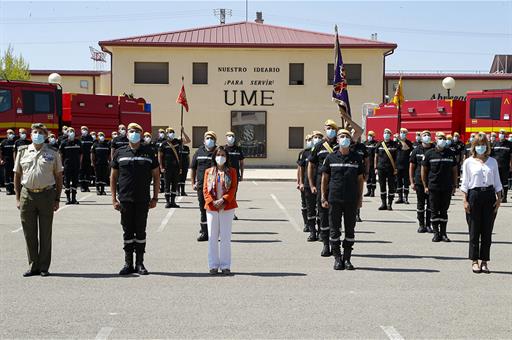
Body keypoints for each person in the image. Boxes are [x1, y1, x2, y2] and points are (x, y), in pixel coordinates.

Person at [14, 123, 63, 277]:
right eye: (35, 132)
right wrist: (17, 198)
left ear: (46, 136)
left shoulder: (53, 153)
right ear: (30, 134)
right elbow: (17, 175)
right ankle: (33, 265)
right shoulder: (22, 152)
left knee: (45, 232)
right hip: (27, 194)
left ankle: (43, 267)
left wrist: (57, 198)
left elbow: (58, 176)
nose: (37, 134)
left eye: (40, 132)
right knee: (29, 232)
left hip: (46, 195)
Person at [111, 123, 159, 275]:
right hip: (125, 199)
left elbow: (156, 176)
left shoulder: (149, 152)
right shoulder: (120, 152)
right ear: (127, 134)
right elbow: (113, 177)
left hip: (142, 199)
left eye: (137, 132)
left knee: (140, 231)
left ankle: (140, 263)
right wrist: (113, 199)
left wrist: (155, 197)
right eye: (132, 131)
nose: (134, 134)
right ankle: (128, 263)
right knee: (127, 232)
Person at [321, 129, 364, 271]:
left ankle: (347, 259)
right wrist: (323, 196)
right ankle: (337, 259)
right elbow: (325, 178)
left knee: (350, 230)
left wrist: (360, 199)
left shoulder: (357, 158)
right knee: (334, 230)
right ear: (337, 140)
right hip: (334, 198)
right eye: (341, 136)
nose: (344, 138)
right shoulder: (330, 158)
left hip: (351, 199)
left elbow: (360, 180)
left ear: (350, 140)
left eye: (346, 136)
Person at [460, 133, 502, 274]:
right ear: (474, 146)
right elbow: (465, 183)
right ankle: (474, 261)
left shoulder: (492, 162)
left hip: (489, 196)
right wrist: (465, 200)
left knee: (487, 230)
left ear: (487, 146)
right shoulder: (468, 162)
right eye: (478, 145)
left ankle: (484, 261)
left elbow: (497, 181)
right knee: (474, 230)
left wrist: (499, 198)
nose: (481, 147)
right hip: (474, 196)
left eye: (483, 144)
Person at [203, 146, 238, 275]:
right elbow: (205, 189)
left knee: (225, 237)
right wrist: (212, 201)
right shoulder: (208, 171)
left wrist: (223, 200)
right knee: (212, 237)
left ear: (227, 157)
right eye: (218, 154)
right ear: (214, 156)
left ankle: (225, 266)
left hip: (227, 207)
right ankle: (213, 265)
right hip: (212, 207)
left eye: (223, 155)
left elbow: (233, 188)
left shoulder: (232, 171)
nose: (220, 157)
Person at [308, 119, 339, 256]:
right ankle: (326, 245)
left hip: (337, 184)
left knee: (336, 216)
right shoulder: (319, 146)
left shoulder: (340, 144)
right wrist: (311, 184)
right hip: (322, 184)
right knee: (323, 215)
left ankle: (335, 245)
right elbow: (311, 165)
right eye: (328, 128)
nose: (330, 130)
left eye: (332, 128)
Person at [421, 132, 458, 242]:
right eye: (440, 138)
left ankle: (444, 233)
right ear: (436, 139)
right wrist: (425, 186)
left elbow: (454, 170)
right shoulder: (429, 154)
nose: (442, 140)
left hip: (446, 187)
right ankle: (436, 233)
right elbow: (424, 170)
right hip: (433, 187)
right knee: (434, 210)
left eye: (444, 138)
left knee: (444, 210)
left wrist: (454, 185)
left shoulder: (450, 153)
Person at [191, 131, 217, 242]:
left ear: (215, 140)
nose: (209, 140)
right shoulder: (198, 152)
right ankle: (204, 232)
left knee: (214, 210)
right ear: (204, 139)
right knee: (203, 209)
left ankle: (214, 232)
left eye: (211, 138)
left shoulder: (218, 152)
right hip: (202, 186)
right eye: (207, 138)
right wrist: (193, 183)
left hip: (215, 187)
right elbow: (193, 168)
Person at [409, 130, 434, 233]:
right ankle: (421, 225)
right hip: (419, 181)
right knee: (420, 203)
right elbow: (411, 167)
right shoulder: (416, 150)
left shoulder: (434, 149)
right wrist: (411, 182)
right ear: (421, 137)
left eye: (428, 135)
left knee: (430, 204)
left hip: (431, 181)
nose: (427, 136)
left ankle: (428, 225)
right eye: (424, 135)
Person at [375, 128, 400, 210]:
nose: (386, 134)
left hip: (391, 169)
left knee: (391, 186)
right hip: (381, 168)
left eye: (388, 133)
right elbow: (376, 157)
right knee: (382, 186)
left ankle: (390, 204)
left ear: (391, 135)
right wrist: (375, 167)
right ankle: (383, 204)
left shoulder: (394, 144)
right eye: (385, 132)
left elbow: (403, 149)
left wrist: (399, 139)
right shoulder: (379, 144)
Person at [159, 127, 181, 208]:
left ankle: (173, 202)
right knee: (167, 185)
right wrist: (161, 166)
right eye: (169, 132)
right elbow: (160, 156)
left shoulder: (177, 142)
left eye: (172, 131)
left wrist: (183, 131)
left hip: (176, 168)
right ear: (166, 134)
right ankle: (168, 202)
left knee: (174, 185)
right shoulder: (164, 144)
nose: (171, 133)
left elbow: (188, 141)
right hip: (167, 168)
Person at [59, 127, 82, 205]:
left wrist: (80, 163)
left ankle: (74, 198)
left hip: (76, 165)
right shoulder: (64, 143)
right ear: (67, 133)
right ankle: (68, 199)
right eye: (70, 131)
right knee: (67, 182)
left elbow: (81, 154)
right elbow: (61, 155)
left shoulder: (78, 142)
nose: (71, 132)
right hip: (67, 165)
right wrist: (61, 164)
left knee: (75, 181)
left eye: (73, 131)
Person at [225, 131, 245, 220]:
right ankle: (224, 211)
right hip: (225, 175)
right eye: (229, 136)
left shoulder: (238, 149)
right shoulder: (223, 149)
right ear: (226, 137)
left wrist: (242, 175)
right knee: (225, 194)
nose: (231, 137)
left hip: (235, 175)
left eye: (232, 136)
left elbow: (242, 163)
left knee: (233, 194)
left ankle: (232, 213)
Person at [297, 134, 313, 232]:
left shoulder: (317, 152)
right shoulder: (303, 153)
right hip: (305, 182)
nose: (309, 141)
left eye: (310, 139)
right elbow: (299, 168)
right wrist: (299, 182)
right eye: (307, 139)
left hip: (315, 183)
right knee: (305, 204)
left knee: (314, 206)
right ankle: (306, 224)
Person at [490, 129, 511, 203]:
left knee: (504, 182)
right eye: (500, 133)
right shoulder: (495, 143)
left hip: (505, 166)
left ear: (505, 135)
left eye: (502, 133)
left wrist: (511, 165)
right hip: (495, 167)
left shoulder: (509, 144)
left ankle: (504, 197)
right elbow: (491, 155)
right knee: (495, 182)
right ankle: (497, 197)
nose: (501, 134)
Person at [396, 128, 413, 204]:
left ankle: (405, 197)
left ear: (406, 134)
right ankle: (400, 197)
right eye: (401, 132)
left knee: (406, 182)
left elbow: (405, 148)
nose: (402, 133)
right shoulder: (396, 142)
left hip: (406, 165)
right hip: (398, 165)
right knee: (399, 182)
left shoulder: (408, 142)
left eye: (404, 132)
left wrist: (400, 140)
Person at [0, 129, 16, 195]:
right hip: (6, 161)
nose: (10, 134)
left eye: (11, 133)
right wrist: (1, 159)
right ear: (6, 134)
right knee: (6, 175)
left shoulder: (15, 142)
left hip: (14, 161)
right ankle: (8, 190)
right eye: (9, 133)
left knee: (13, 175)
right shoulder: (3, 142)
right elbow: (0, 152)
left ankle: (12, 189)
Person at [79, 126, 94, 192]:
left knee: (88, 172)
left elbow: (92, 149)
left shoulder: (90, 138)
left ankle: (87, 186)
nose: (84, 130)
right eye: (83, 129)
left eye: (85, 129)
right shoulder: (79, 138)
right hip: (81, 158)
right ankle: (82, 186)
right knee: (81, 172)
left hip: (88, 158)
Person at [363, 130, 378, 197]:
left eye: (371, 135)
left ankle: (373, 191)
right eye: (369, 135)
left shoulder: (376, 144)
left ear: (373, 136)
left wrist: (376, 165)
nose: (369, 136)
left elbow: (376, 155)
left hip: (373, 164)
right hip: (366, 164)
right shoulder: (365, 143)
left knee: (373, 178)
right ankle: (368, 191)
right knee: (367, 178)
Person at [155, 128, 167, 193]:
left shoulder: (165, 141)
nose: (161, 133)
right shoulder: (156, 141)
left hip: (163, 160)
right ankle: (159, 188)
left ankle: (163, 187)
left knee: (163, 176)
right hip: (156, 160)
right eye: (160, 132)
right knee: (157, 175)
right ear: (158, 133)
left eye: (162, 132)